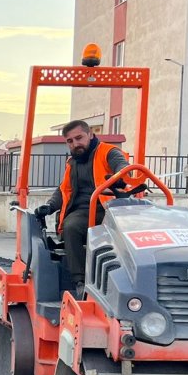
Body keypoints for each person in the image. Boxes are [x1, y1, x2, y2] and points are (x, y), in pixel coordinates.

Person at [34, 120, 129, 295]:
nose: (75, 143)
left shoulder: (108, 152)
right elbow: (63, 190)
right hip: (83, 212)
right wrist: (49, 206)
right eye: (70, 141)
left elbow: (122, 165)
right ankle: (80, 282)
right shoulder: (72, 163)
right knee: (71, 227)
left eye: (79, 138)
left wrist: (121, 176)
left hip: (110, 208)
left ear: (90, 135)